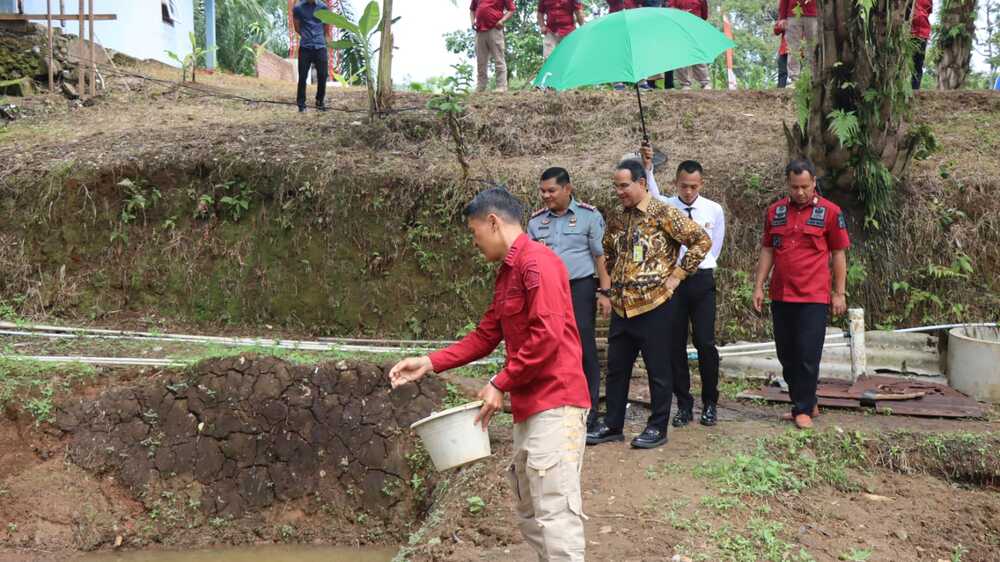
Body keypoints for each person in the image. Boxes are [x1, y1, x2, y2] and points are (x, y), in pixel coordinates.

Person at [389, 188, 591, 561]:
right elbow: (485, 336)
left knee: (555, 515)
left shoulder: (538, 264)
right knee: (531, 514)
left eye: (473, 231)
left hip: (556, 403)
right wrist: (429, 362)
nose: (474, 241)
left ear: (493, 222)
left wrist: (500, 382)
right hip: (529, 407)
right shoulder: (508, 274)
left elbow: (547, 336)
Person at [587, 159, 712, 449]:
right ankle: (612, 424)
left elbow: (700, 241)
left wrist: (678, 276)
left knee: (659, 369)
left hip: (655, 305)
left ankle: (657, 427)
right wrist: (610, 286)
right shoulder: (618, 218)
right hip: (622, 306)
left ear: (642, 183)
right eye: (616, 186)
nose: (619, 191)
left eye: (624, 185)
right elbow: (608, 252)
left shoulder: (664, 213)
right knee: (617, 369)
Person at [751, 158, 850, 429]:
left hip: (814, 296)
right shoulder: (776, 212)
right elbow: (768, 250)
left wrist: (838, 293)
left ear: (814, 183)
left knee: (807, 354)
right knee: (787, 353)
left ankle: (802, 408)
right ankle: (807, 401)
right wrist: (759, 285)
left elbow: (839, 254)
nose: (800, 192)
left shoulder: (830, 212)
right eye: (795, 187)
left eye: (805, 186)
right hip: (782, 294)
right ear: (788, 184)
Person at [528, 168, 612, 433]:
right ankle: (554, 405)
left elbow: (600, 257)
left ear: (567, 189)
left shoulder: (589, 216)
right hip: (547, 289)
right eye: (542, 191)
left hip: (580, 287)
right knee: (548, 343)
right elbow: (530, 260)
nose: (546, 196)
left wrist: (605, 291)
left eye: (551, 190)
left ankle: (589, 410)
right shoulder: (536, 222)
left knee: (582, 343)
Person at [656, 161, 725, 427]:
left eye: (693, 186)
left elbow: (714, 247)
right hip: (673, 282)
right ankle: (684, 404)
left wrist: (700, 266)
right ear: (676, 183)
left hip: (702, 280)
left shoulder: (713, 209)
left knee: (705, 342)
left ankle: (710, 403)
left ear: (702, 184)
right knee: (675, 344)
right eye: (684, 186)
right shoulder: (667, 206)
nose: (688, 191)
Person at [292, 0, 332, 113]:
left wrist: (320, 38)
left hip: (320, 46)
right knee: (303, 76)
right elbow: (297, 27)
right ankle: (301, 104)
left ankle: (320, 102)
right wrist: (307, 36)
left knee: (323, 75)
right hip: (305, 47)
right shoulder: (298, 8)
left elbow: (326, 26)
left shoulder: (323, 7)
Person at [471, 0, 516, 93]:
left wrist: (502, 21)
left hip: (494, 29)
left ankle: (501, 86)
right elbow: (472, 9)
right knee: (481, 61)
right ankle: (480, 86)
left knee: (499, 58)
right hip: (479, 30)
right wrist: (472, 22)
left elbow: (511, 9)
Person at [669, 0, 711, 89]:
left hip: (694, 27)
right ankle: (684, 83)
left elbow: (704, 15)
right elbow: (670, 9)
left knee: (698, 54)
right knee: (680, 55)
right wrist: (681, 12)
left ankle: (704, 82)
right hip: (679, 27)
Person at [777, 0, 817, 83]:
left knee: (814, 47)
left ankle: (814, 78)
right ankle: (795, 80)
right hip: (792, 13)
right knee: (793, 48)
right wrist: (782, 17)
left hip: (813, 13)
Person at [910, 0, 932, 90]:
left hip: (923, 33)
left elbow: (928, 11)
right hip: (908, 32)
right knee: (902, 62)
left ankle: (915, 90)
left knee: (918, 63)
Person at [774, 22, 789, 88]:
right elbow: (776, 30)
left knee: (796, 72)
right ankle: (780, 91)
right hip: (784, 49)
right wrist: (782, 25)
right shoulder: (785, 16)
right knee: (782, 72)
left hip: (798, 49)